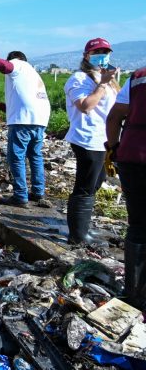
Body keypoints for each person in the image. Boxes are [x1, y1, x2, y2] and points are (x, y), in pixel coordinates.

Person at [0, 51, 51, 208]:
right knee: (35, 156)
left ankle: (20, 196)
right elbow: (22, 101)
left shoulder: (18, 65)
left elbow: (4, 65)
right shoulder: (32, 73)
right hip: (40, 119)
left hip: (23, 120)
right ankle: (38, 193)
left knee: (16, 157)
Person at [63, 38, 120, 245]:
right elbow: (86, 106)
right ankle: (77, 235)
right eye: (97, 52)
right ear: (86, 55)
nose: (102, 55)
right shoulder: (79, 78)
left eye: (106, 52)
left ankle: (82, 226)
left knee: (96, 182)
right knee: (85, 185)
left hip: (104, 140)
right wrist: (103, 84)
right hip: (87, 139)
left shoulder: (109, 79)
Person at [105, 66, 146, 308]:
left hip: (132, 158)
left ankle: (134, 294)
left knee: (138, 225)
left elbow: (114, 117)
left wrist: (113, 148)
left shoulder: (138, 77)